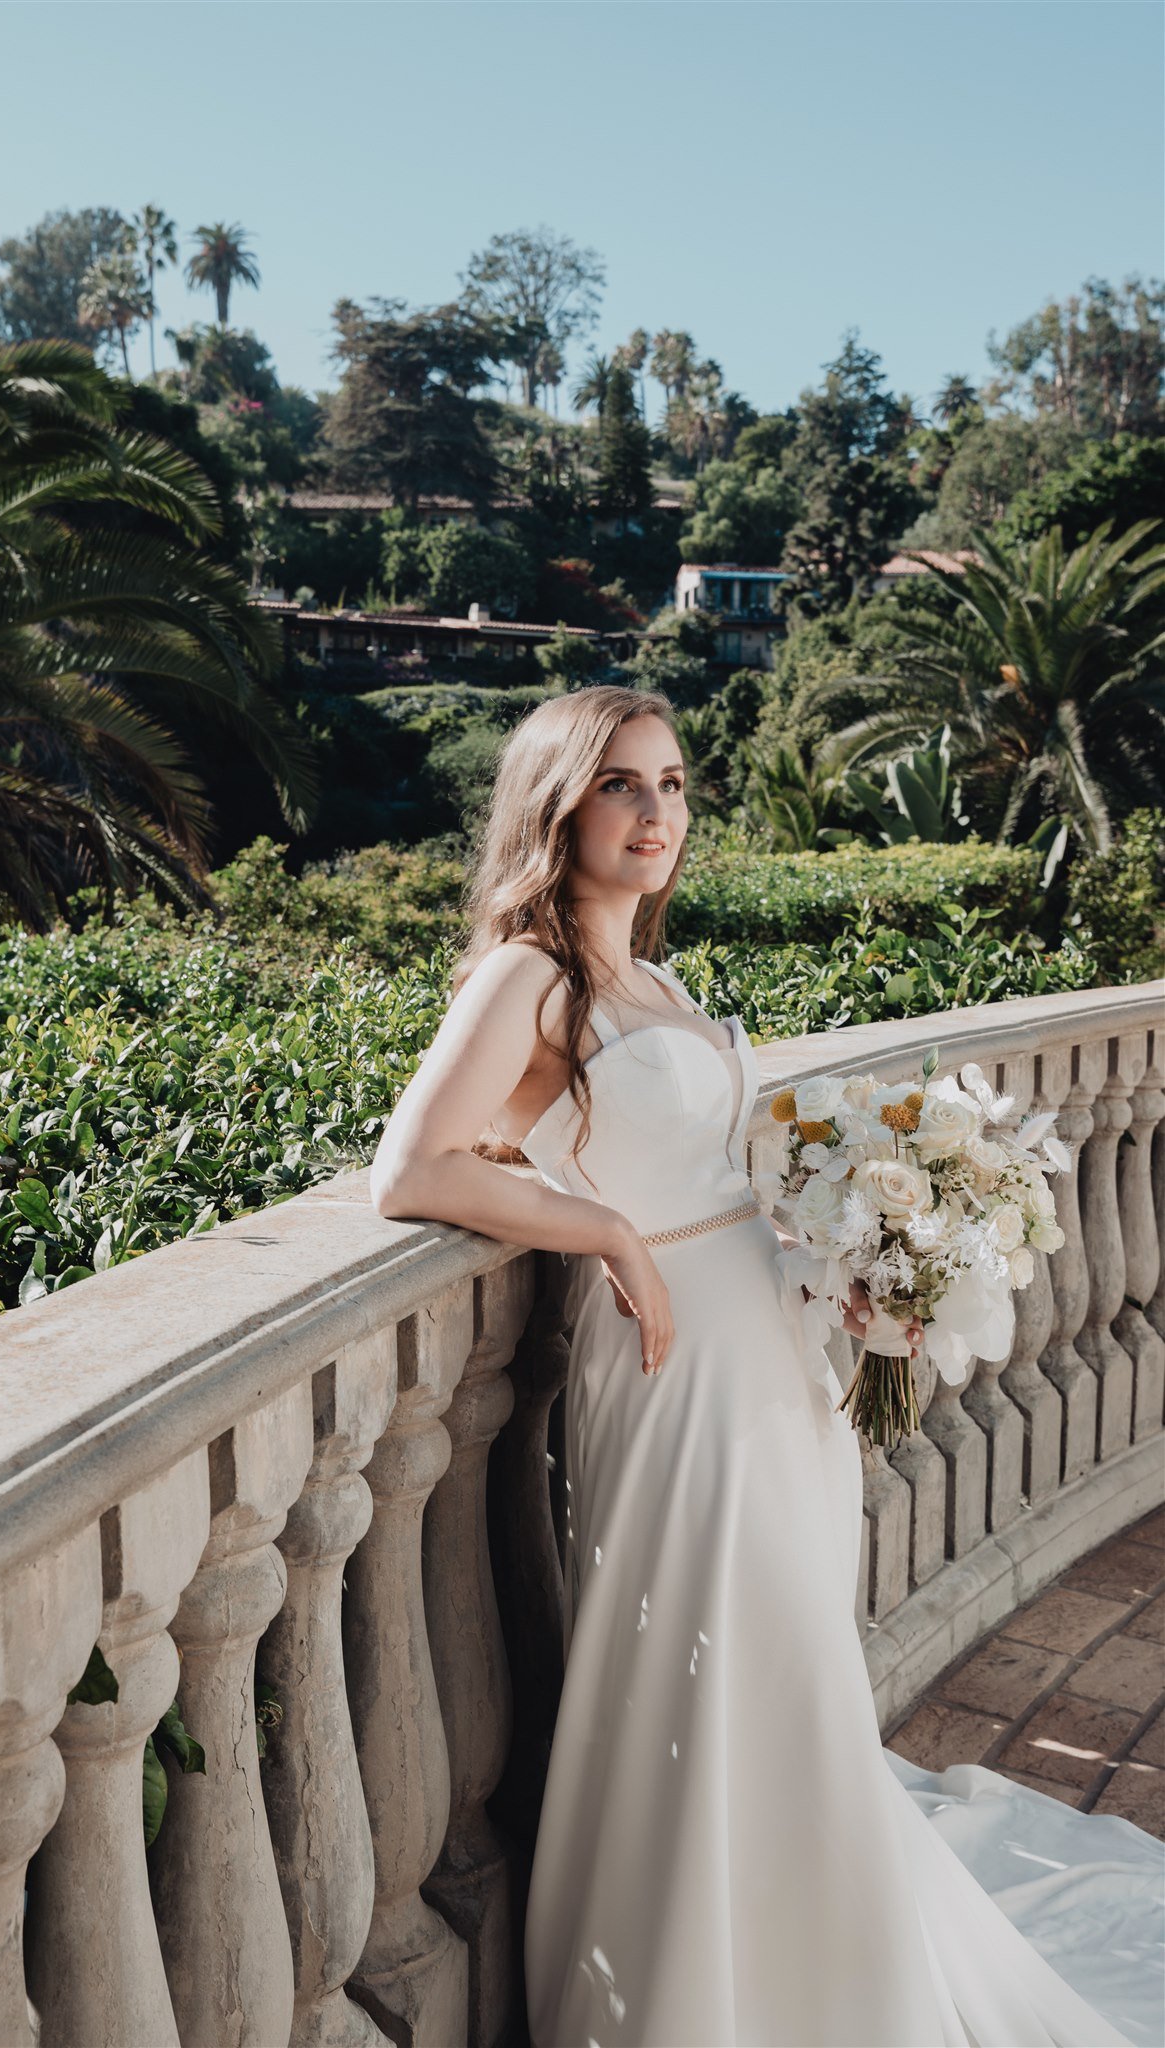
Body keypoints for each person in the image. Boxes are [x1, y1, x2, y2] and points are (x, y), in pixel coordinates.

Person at [369, 685, 1160, 2047]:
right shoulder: (531, 978)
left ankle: (803, 1956)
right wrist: (599, 1223)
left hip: (772, 1360)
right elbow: (411, 1170)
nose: (657, 815)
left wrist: (863, 1271)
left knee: (781, 1659)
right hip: (673, 1369)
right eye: (623, 785)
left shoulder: (655, 981)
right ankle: (696, 1986)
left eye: (673, 785)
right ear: (559, 805)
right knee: (696, 1662)